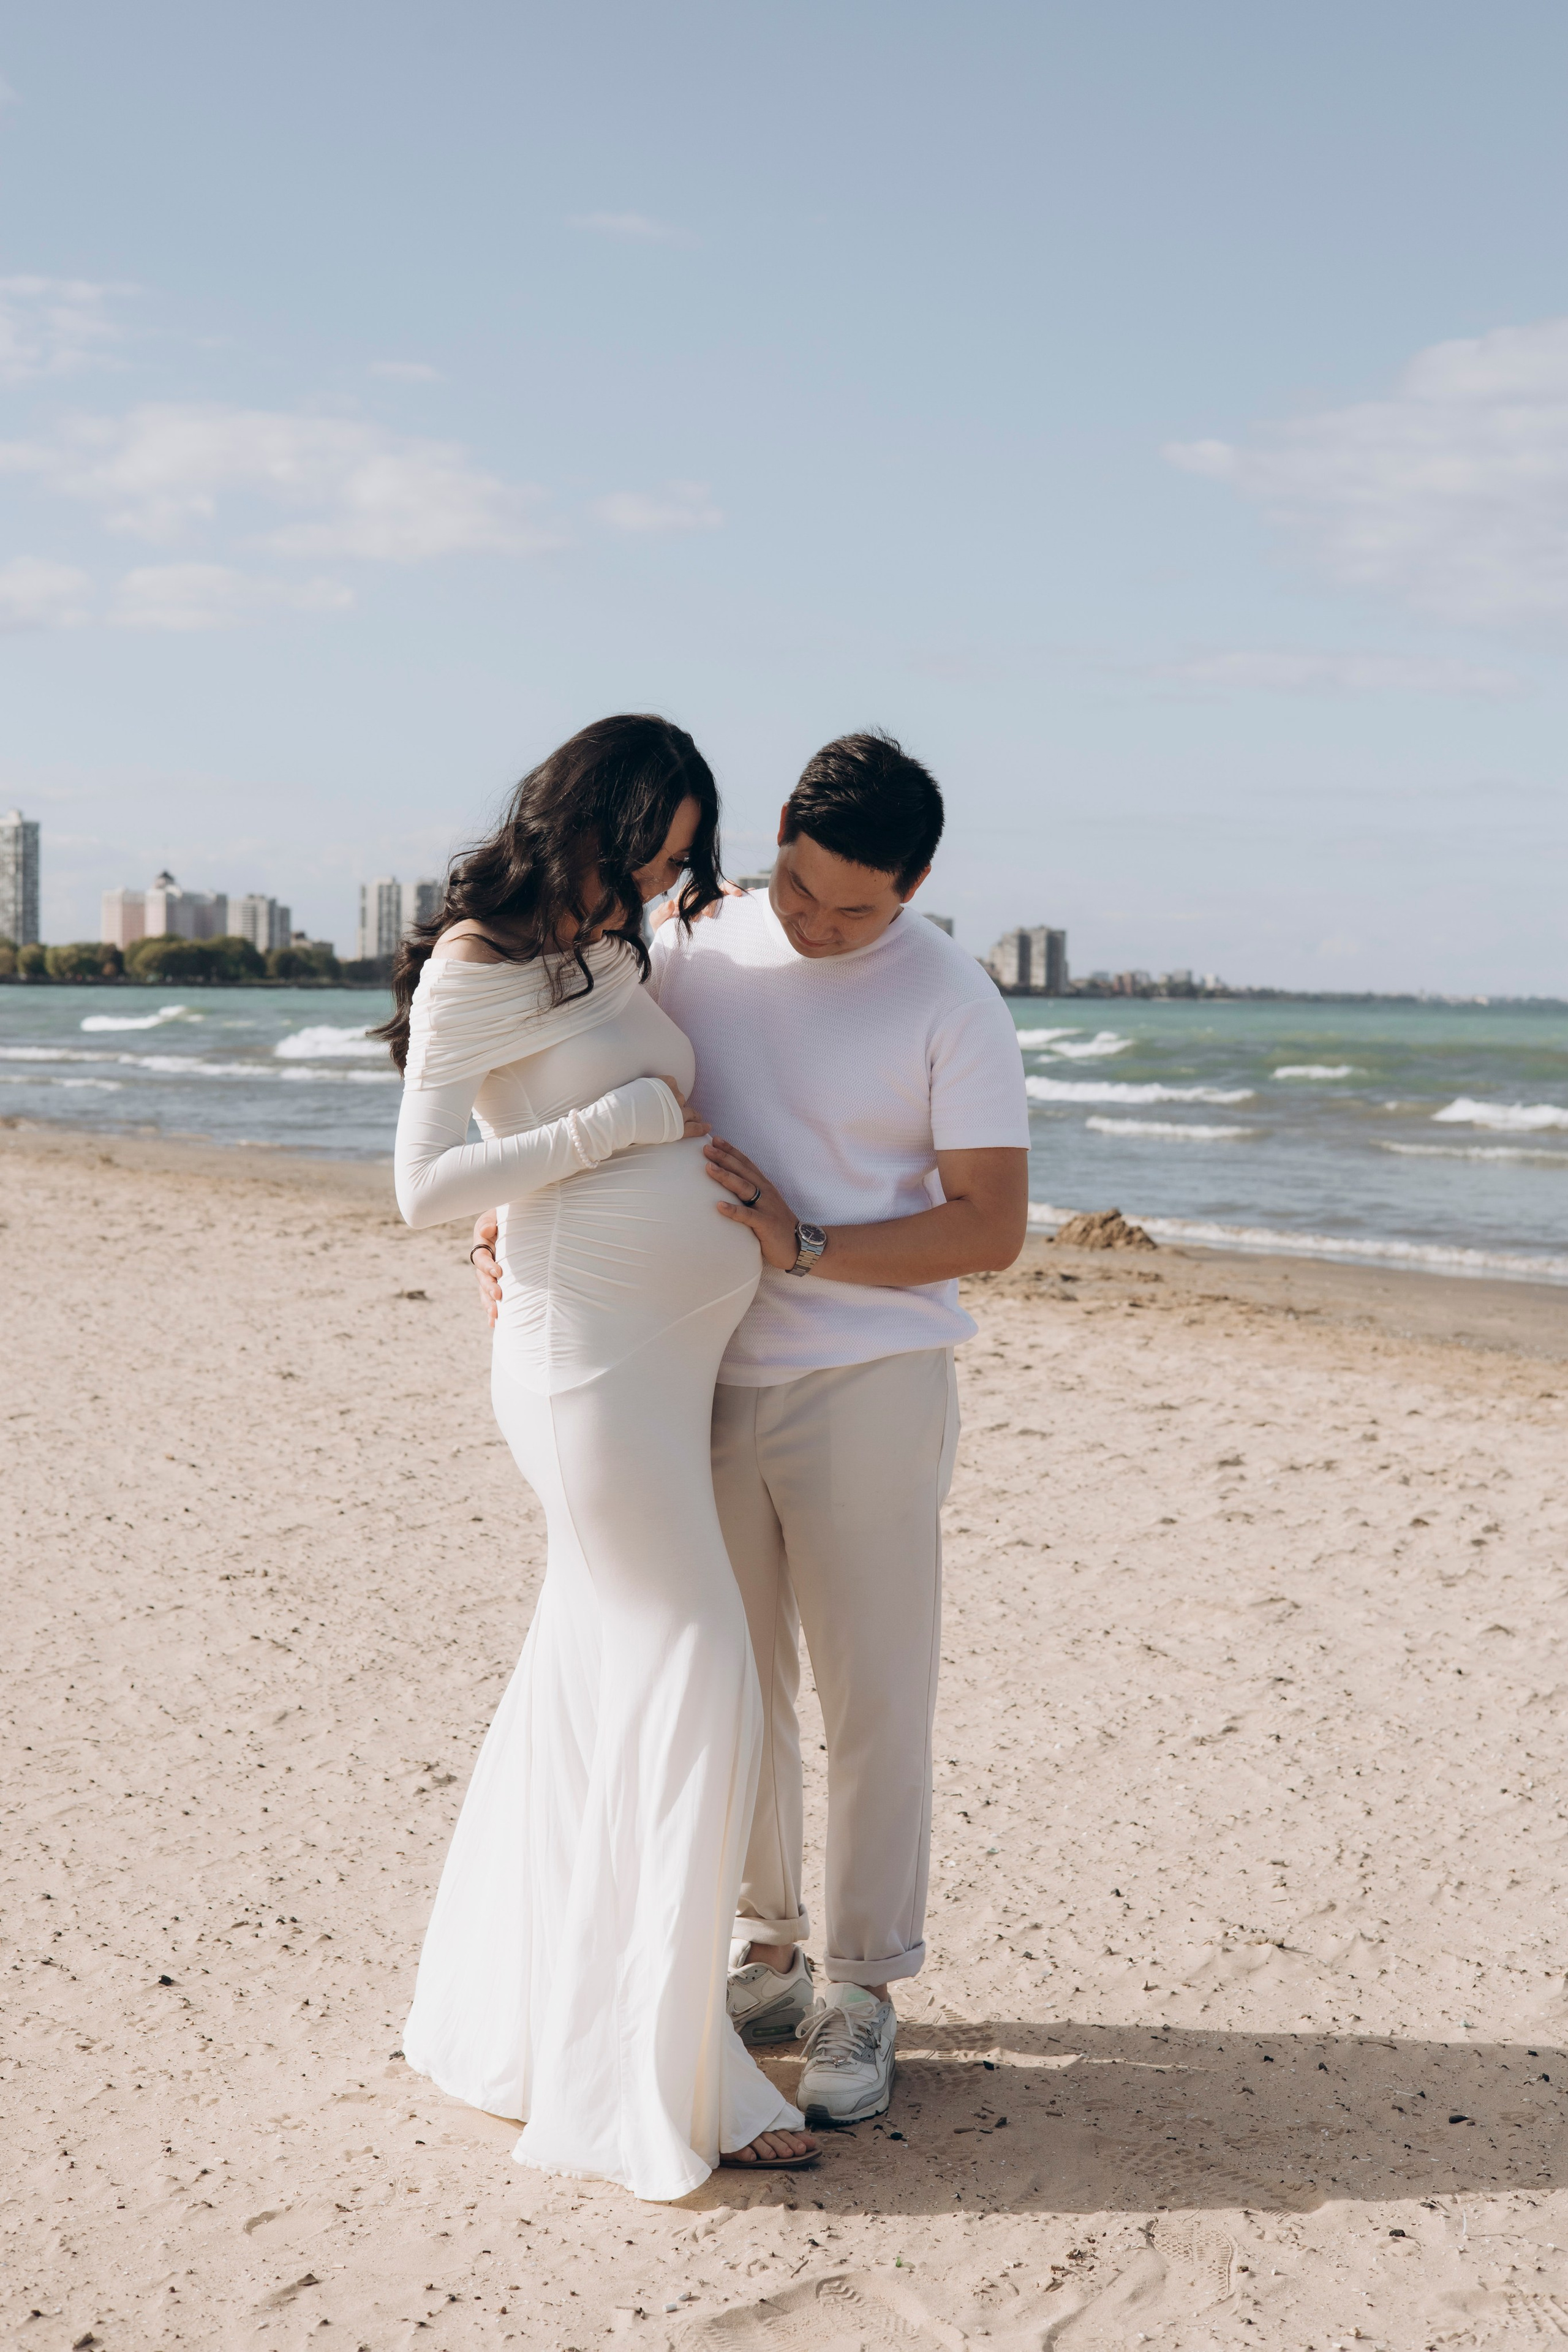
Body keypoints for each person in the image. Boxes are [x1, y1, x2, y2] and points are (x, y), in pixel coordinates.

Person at [471, 730, 1030, 2132]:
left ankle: (862, 1983)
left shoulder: (949, 995)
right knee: (739, 1684)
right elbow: (593, 1091)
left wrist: (809, 1239)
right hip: (694, 1369)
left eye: (856, 907)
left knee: (871, 1690)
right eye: (800, 885)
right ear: (777, 831)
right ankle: (765, 1949)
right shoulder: (694, 929)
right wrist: (511, 1217)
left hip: (870, 1381)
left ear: (914, 887)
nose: (818, 922)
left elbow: (991, 1223)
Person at [388, 714, 818, 2203]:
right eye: (652, 844)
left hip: (657, 1357)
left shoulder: (614, 950)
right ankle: (675, 2062)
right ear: (588, 814)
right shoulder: (475, 963)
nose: (661, 874)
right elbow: (424, 1187)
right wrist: (620, 1125)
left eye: (682, 856)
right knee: (694, 1661)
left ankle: (529, 2023)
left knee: (595, 1669)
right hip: (579, 1366)